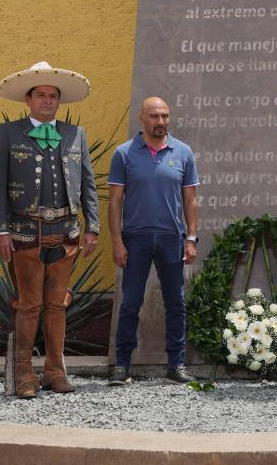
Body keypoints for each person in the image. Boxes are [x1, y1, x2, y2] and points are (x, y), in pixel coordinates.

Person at [0, 61, 99, 398]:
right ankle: (23, 373)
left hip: (65, 232)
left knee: (57, 304)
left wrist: (92, 226)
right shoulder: (9, 133)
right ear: (28, 99)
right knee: (28, 304)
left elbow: (88, 185)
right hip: (24, 233)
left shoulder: (74, 134)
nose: (48, 100)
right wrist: (0, 230)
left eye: (53, 96)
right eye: (41, 95)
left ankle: (54, 371)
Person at [107, 96, 199, 385]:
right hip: (136, 239)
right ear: (142, 119)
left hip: (173, 238)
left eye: (165, 116)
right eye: (155, 117)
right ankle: (122, 365)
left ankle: (176, 364)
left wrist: (192, 238)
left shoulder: (183, 152)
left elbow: (191, 199)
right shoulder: (124, 154)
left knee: (176, 303)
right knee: (130, 302)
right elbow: (114, 202)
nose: (161, 122)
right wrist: (117, 242)